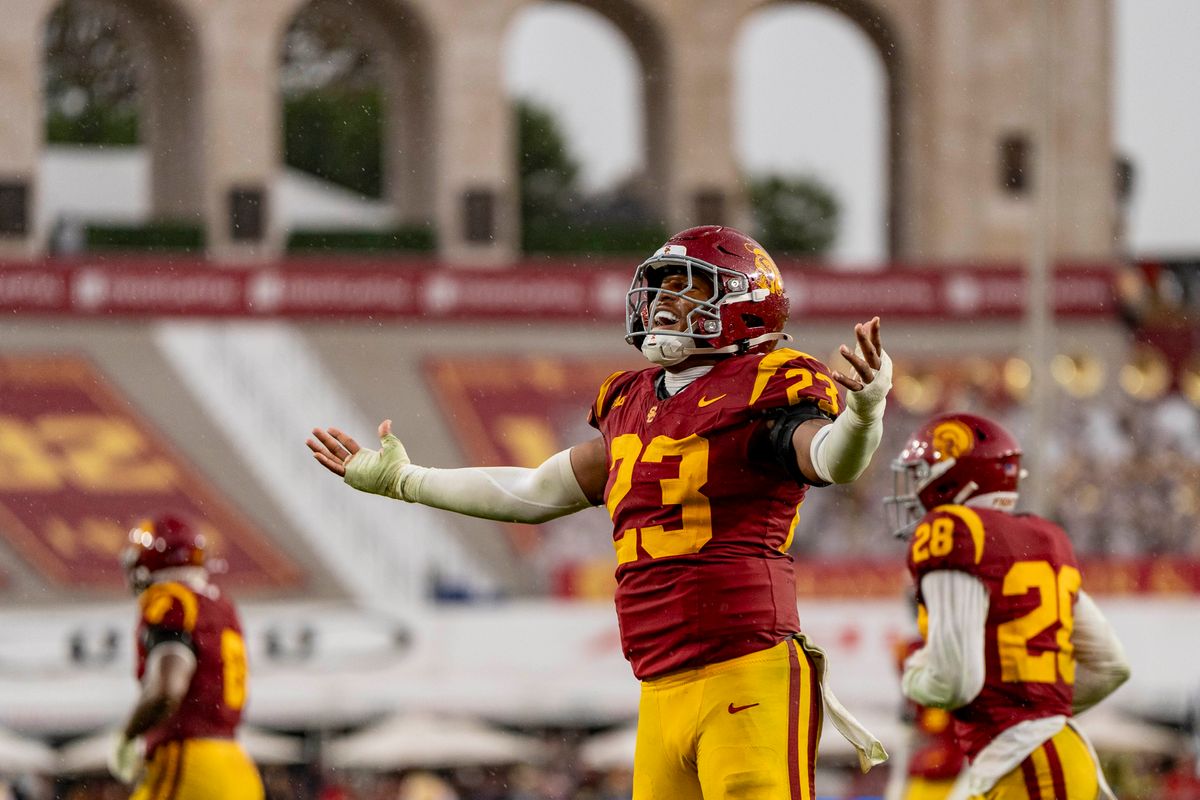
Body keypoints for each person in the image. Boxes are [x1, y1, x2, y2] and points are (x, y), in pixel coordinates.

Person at [308, 225, 892, 798]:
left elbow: (829, 459)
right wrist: (405, 480)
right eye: (660, 288)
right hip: (659, 682)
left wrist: (863, 415)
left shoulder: (767, 381)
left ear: (745, 303)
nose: (664, 303)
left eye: (687, 288)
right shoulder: (633, 399)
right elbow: (533, 491)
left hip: (746, 664)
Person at [885, 412, 1132, 800]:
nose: (914, 488)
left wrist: (913, 676)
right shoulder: (1045, 538)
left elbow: (954, 680)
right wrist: (1035, 706)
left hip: (1029, 764)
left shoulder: (953, 529)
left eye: (922, 473)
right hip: (1050, 757)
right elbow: (1110, 666)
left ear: (957, 474)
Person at [110, 513, 264, 800]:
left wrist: (128, 735)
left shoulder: (171, 599)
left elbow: (167, 691)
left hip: (190, 763)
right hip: (237, 767)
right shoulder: (220, 605)